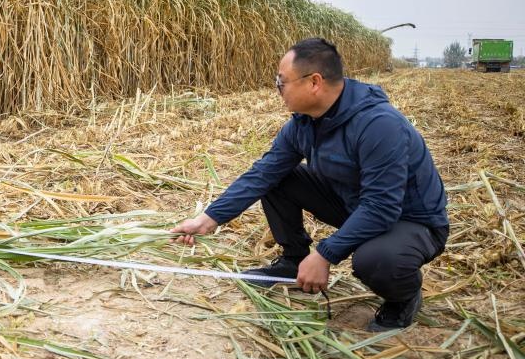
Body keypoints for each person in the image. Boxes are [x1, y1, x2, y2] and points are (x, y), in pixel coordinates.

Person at [170, 38, 449, 331]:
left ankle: (403, 297)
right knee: (278, 178)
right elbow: (262, 173)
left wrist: (325, 254)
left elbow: (382, 207)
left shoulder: (379, 125)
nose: (278, 90)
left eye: (282, 82)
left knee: (376, 260)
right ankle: (294, 260)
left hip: (410, 220)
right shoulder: (304, 124)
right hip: (354, 204)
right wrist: (208, 219)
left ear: (314, 82)